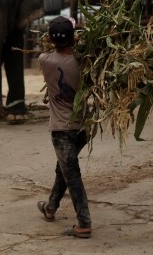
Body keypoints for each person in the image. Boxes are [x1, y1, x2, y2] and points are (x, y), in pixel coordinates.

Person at [37, 16, 92, 239]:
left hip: (62, 131)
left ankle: (85, 223)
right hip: (82, 129)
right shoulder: (86, 62)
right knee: (64, 169)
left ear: (50, 38)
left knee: (72, 175)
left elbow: (47, 49)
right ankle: (50, 208)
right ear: (74, 38)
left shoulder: (45, 61)